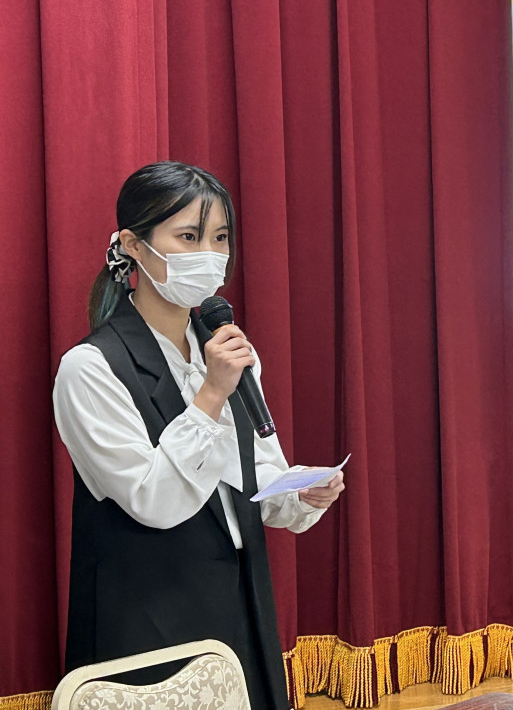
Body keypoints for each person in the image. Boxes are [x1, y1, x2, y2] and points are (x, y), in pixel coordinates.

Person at [53, 161, 345, 710]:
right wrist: (211, 393)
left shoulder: (225, 351)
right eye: (188, 237)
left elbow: (253, 479)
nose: (209, 254)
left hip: (240, 596)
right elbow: (152, 499)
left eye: (220, 238)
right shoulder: (90, 367)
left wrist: (298, 493)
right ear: (133, 246)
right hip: (147, 611)